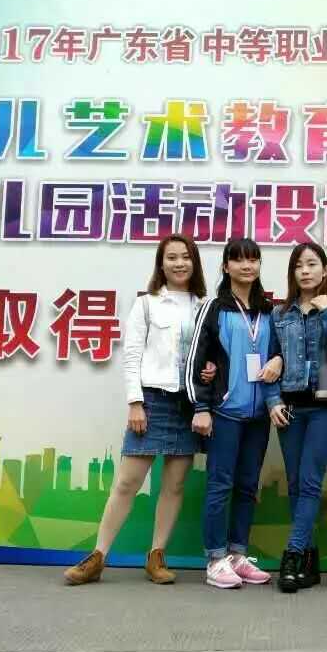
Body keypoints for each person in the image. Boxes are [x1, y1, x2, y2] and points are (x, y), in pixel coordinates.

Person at [63, 234, 214, 586]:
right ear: (161, 264)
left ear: (195, 262)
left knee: (174, 485)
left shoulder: (205, 306)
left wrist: (211, 370)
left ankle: (156, 556)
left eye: (186, 256)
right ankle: (98, 556)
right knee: (127, 482)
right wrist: (135, 402)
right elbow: (132, 356)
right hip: (152, 401)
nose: (179, 263)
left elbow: (211, 354)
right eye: (171, 257)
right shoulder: (146, 304)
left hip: (189, 404)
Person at [187, 238, 288, 590]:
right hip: (225, 412)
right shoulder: (214, 308)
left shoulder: (269, 311)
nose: (247, 266)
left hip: (259, 416)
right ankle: (215, 559)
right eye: (239, 260)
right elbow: (197, 359)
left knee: (247, 487)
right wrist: (202, 407)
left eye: (253, 259)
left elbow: (280, 351)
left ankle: (238, 555)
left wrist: (279, 359)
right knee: (220, 486)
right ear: (226, 266)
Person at [270, 243, 327, 593]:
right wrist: (272, 401)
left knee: (309, 481)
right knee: (294, 484)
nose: (305, 271)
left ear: (324, 270)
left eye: (312, 264)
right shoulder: (280, 314)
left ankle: (292, 555)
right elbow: (270, 361)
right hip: (289, 408)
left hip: (324, 408)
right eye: (299, 266)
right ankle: (310, 561)